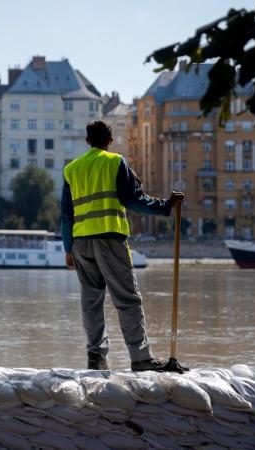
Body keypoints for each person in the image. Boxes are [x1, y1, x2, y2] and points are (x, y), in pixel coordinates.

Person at [61, 120, 186, 372]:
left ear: (87, 141)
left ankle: (95, 357)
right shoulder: (115, 162)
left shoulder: (71, 169)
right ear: (110, 140)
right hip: (110, 239)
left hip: (82, 244)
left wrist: (68, 248)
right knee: (127, 299)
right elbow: (133, 199)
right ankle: (140, 358)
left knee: (91, 302)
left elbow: (66, 214)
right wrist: (165, 206)